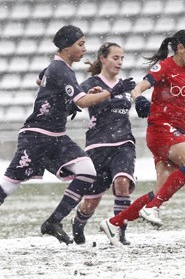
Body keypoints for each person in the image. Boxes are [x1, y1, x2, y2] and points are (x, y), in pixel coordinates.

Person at [0, 25, 135, 245]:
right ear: (66, 47)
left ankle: (53, 221)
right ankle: (56, 221)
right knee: (8, 184)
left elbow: (42, 80)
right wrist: (112, 91)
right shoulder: (61, 68)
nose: (84, 48)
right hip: (36, 136)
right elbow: (80, 101)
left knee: (86, 170)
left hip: (56, 136)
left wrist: (67, 98)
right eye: (80, 44)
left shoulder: (59, 68)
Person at [99, 30, 185, 246]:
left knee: (159, 191)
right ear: (180, 48)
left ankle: (114, 223)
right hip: (161, 129)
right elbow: (138, 88)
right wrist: (140, 100)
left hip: (176, 130)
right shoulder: (164, 66)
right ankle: (152, 208)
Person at [70, 42, 138, 245]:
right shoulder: (91, 84)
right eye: (115, 58)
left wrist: (143, 104)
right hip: (97, 146)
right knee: (91, 201)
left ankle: (120, 232)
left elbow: (133, 101)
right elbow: (76, 101)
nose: (119, 62)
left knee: (122, 183)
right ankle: (78, 223)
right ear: (103, 59)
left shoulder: (125, 86)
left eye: (122, 58)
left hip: (124, 143)